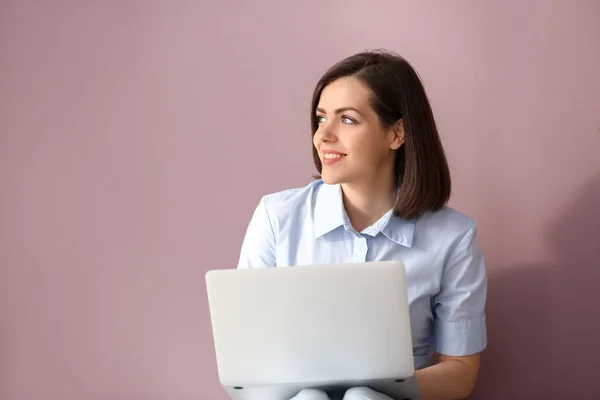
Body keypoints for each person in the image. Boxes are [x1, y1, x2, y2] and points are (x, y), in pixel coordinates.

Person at [236, 50, 487, 400]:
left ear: (396, 134)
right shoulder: (276, 217)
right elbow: (245, 365)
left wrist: (374, 389)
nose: (323, 136)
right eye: (321, 118)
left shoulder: (453, 238)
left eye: (348, 120)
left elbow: (461, 372)